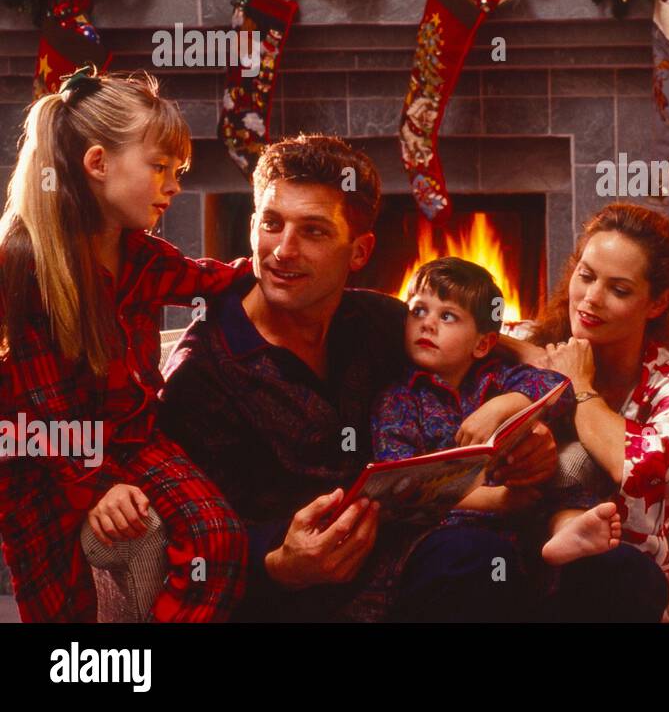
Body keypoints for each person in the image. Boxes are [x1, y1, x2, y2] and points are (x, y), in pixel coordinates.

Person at [157, 134, 561, 621]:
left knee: (595, 567)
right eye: (272, 224)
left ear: (360, 251)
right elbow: (192, 533)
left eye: (314, 232)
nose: (283, 251)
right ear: (252, 227)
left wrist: (525, 423)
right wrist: (280, 565)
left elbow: (483, 353)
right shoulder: (201, 375)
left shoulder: (375, 322)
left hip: (416, 554)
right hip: (297, 596)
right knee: (475, 561)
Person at [0, 68, 250, 622]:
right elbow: (41, 412)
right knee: (67, 618)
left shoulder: (139, 253)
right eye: (160, 168)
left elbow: (211, 279)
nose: (174, 185)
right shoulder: (26, 263)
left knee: (221, 539)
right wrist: (98, 486)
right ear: (97, 164)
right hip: (42, 458)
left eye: (177, 171)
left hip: (135, 437)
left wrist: (279, 268)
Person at [499, 202, 669, 622]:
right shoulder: (532, 342)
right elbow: (463, 331)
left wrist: (580, 385)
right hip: (524, 557)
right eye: (586, 276)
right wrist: (529, 353)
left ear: (657, 302)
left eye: (619, 289)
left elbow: (638, 468)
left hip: (635, 577)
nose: (591, 299)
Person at [371, 256, 621, 565]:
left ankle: (568, 529)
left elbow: (559, 386)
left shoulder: (496, 376)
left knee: (566, 481)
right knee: (470, 544)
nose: (427, 323)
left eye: (447, 316)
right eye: (418, 311)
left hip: (520, 511)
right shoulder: (399, 399)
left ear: (483, 344)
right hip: (451, 523)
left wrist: (507, 403)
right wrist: (499, 500)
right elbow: (400, 487)